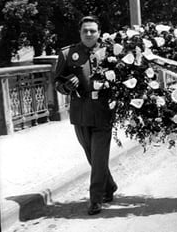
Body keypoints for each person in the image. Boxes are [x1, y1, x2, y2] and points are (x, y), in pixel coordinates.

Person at [54, 15, 117, 216]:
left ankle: (95, 200)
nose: (89, 34)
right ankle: (110, 186)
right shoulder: (67, 53)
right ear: (80, 33)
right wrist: (66, 86)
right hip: (80, 113)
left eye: (92, 31)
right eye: (85, 31)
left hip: (103, 111)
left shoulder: (110, 51)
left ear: (99, 32)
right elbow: (57, 82)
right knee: (92, 156)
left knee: (99, 157)